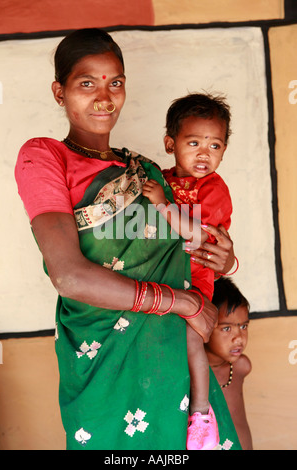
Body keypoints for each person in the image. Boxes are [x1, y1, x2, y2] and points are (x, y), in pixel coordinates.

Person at [15, 28, 239, 450]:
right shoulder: (44, 156)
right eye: (87, 83)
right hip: (103, 363)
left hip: (173, 364)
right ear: (59, 92)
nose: (104, 97)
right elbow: (69, 277)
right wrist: (183, 302)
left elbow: (194, 244)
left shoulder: (149, 172)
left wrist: (225, 259)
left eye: (115, 82)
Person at [143, 93, 234, 449]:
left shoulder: (213, 188)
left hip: (196, 276)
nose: (204, 153)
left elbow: (199, 235)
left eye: (214, 145)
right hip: (164, 275)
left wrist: (163, 205)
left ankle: (200, 410)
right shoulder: (160, 179)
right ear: (171, 144)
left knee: (192, 338)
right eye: (193, 142)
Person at [207, 277, 253, 450]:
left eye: (243, 326)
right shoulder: (190, 372)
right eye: (227, 328)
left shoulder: (241, 367)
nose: (239, 338)